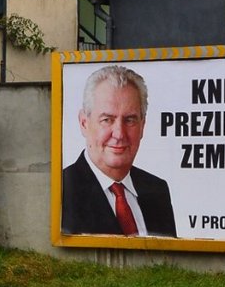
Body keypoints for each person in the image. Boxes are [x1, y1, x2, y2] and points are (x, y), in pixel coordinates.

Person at [62, 65, 177, 237]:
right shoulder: (62, 190)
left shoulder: (157, 190)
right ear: (84, 123)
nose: (119, 134)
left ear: (142, 126)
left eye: (130, 120)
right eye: (107, 119)